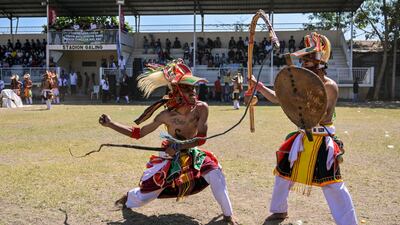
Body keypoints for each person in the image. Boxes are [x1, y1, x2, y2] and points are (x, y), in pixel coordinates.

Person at [99, 59, 238, 225]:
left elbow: (201, 138)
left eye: (193, 88)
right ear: (177, 92)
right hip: (169, 156)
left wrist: (180, 146)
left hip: (190, 152)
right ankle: (129, 198)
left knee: (215, 172)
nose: (193, 92)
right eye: (187, 88)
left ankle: (228, 216)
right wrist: (111, 124)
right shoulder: (165, 116)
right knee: (148, 193)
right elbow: (137, 133)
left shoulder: (202, 108)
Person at [249, 32, 357, 225]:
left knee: (333, 184)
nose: (304, 62)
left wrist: (301, 100)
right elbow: (279, 98)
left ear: (320, 61)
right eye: (303, 59)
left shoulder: (330, 86)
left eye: (309, 58)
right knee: (283, 174)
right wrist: (259, 87)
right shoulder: (299, 82)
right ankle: (279, 210)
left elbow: (321, 116)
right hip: (301, 137)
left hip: (322, 139)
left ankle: (349, 222)